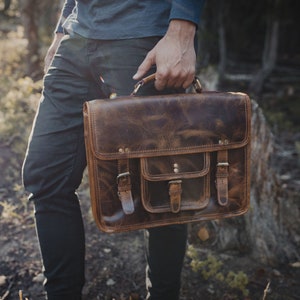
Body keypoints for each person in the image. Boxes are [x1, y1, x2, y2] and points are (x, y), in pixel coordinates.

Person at [22, 1, 205, 299]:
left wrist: (183, 27)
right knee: (44, 176)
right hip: (77, 40)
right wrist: (61, 30)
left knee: (160, 187)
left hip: (142, 38)